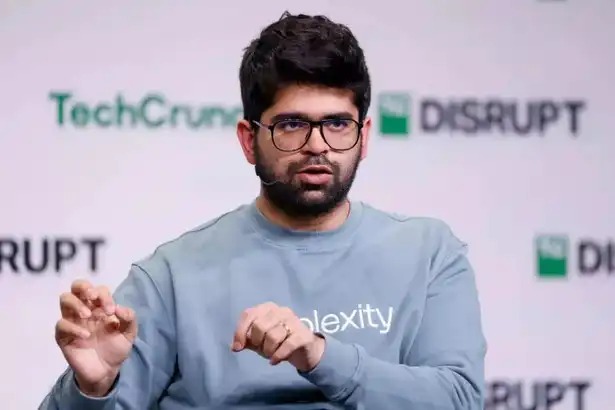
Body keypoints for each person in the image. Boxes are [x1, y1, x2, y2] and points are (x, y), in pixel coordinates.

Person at [39, 11, 486, 410]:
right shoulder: (172, 276)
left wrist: (320, 356)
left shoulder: (428, 253)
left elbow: (459, 400)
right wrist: (92, 389)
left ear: (364, 136)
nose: (317, 145)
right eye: (292, 124)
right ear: (249, 140)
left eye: (337, 123)